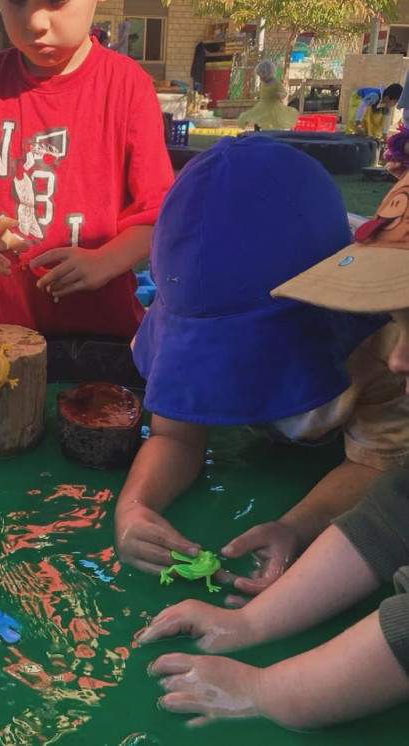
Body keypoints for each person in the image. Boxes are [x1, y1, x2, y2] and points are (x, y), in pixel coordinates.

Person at [135, 173, 409, 729]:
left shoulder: (375, 357)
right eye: (402, 325)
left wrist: (268, 690)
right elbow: (390, 517)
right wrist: (249, 625)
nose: (400, 359)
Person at [115, 136, 409, 601]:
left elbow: (376, 462)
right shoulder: (191, 299)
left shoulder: (390, 338)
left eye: (252, 348)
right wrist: (135, 506)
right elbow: (175, 435)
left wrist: (297, 525)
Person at [0, 0, 173, 339]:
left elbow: (156, 213)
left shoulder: (127, 86)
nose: (35, 22)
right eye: (16, 2)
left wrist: (105, 261)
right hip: (3, 327)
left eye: (56, 2)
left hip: (103, 329)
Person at [236, 60, 298, 131]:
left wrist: (279, 95)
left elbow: (284, 93)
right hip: (262, 105)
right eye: (259, 76)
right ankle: (257, 134)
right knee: (257, 120)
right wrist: (251, 95)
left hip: (272, 107)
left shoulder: (275, 82)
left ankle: (269, 134)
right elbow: (262, 92)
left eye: (262, 76)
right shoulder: (263, 83)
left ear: (268, 74)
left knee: (269, 123)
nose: (260, 79)